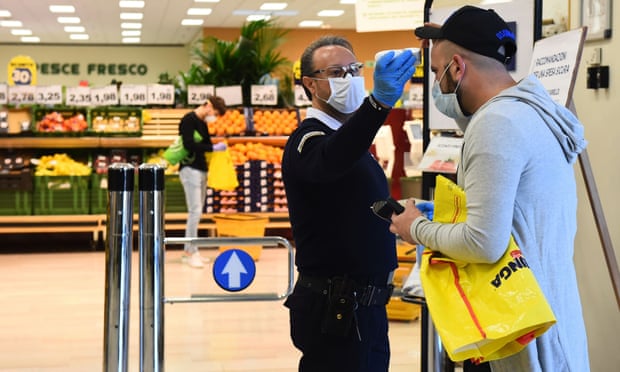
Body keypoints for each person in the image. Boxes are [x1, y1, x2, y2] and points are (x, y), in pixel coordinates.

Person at [389, 5, 590, 372]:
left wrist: (415, 229)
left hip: (523, 329)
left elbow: (484, 243)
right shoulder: (537, 113)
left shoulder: (495, 122)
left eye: (437, 73)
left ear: (458, 67)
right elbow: (517, 215)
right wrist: (450, 220)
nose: (437, 86)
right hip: (552, 313)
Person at [281, 35, 416, 372]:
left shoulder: (352, 144)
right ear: (311, 84)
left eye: (355, 70)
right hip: (334, 307)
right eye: (338, 72)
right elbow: (331, 161)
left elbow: (359, 201)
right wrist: (378, 104)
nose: (350, 79)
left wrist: (410, 214)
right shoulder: (308, 139)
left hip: (366, 308)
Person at [178, 95, 227, 268]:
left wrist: (217, 144)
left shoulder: (203, 123)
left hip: (201, 170)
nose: (213, 116)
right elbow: (189, 144)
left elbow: (205, 143)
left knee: (197, 211)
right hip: (189, 169)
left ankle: (189, 250)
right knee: (195, 211)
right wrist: (212, 147)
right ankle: (191, 252)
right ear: (208, 105)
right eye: (214, 112)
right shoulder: (188, 120)